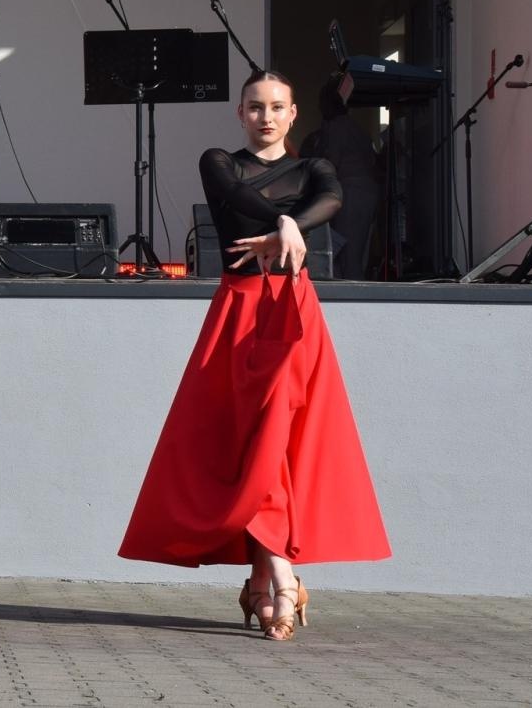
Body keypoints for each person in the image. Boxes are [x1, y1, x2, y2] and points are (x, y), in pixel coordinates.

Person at [118, 70, 389, 641]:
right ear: (240, 114)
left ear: (294, 116)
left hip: (293, 313)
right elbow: (236, 197)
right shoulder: (219, 160)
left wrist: (291, 225)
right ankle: (276, 575)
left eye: (277, 107)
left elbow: (334, 199)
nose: (266, 116)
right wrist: (286, 222)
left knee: (278, 443)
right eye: (254, 107)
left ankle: (271, 578)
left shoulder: (315, 167)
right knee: (248, 444)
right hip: (238, 315)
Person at [300, 73, 379, 279]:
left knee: (348, 256)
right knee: (354, 254)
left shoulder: (337, 126)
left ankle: (352, 304)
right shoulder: (354, 128)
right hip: (364, 195)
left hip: (352, 195)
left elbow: (330, 165)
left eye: (321, 102)